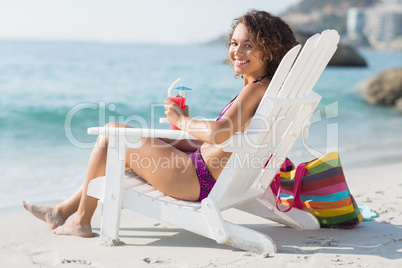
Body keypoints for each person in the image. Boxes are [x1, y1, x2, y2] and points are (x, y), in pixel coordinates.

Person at [22, 10, 299, 238]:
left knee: (110, 137)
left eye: (249, 44)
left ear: (270, 51)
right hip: (205, 172)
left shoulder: (255, 89)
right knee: (121, 139)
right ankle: (62, 210)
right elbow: (226, 142)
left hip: (194, 180)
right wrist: (180, 133)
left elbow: (219, 134)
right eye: (235, 43)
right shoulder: (263, 88)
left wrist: (182, 120)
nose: (237, 50)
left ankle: (81, 220)